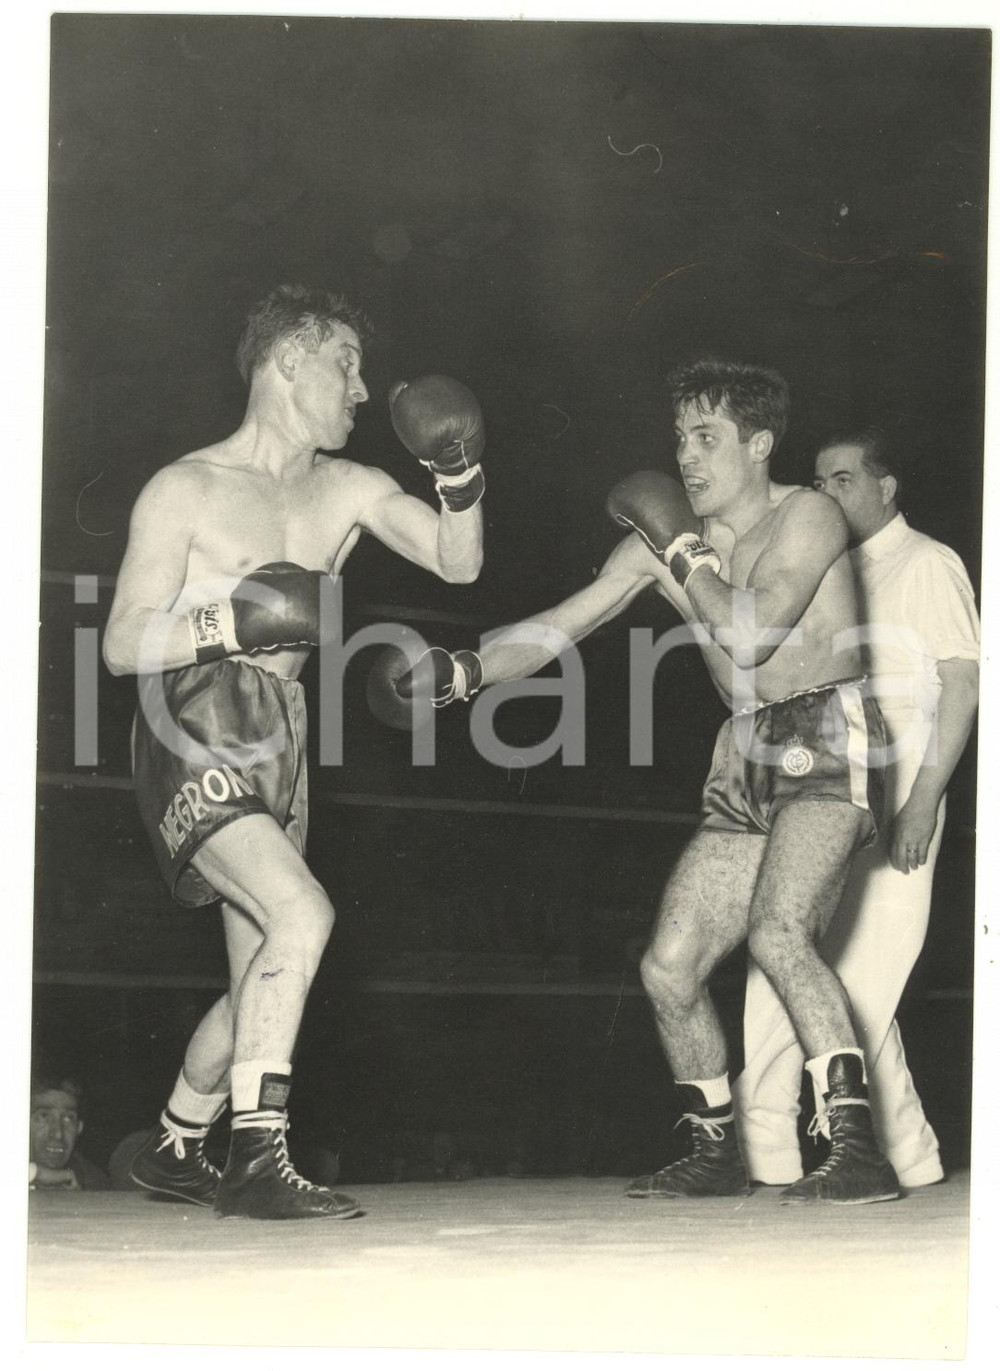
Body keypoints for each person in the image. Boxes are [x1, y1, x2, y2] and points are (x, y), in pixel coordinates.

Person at [372, 358, 900, 1205]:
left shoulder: (810, 514)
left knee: (779, 930)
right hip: (741, 752)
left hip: (824, 731)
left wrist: (682, 548)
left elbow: (753, 631)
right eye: (679, 439)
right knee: (668, 965)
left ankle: (856, 1145)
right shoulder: (662, 542)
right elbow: (555, 629)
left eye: (707, 437)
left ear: (760, 444)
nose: (686, 457)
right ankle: (715, 1148)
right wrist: (463, 672)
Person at [102, 284, 485, 1220]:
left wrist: (462, 476)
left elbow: (458, 561)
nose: (363, 388)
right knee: (304, 912)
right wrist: (229, 616)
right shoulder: (185, 487)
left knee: (260, 984)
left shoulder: (347, 489)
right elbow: (120, 642)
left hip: (283, 732)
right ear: (287, 361)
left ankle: (173, 1142)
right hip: (189, 719)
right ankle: (256, 1159)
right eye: (345, 362)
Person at [733, 427, 979, 1189]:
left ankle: (854, 1149)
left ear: (886, 485)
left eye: (844, 479)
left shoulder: (929, 562)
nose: (826, 493)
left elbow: (965, 687)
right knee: (808, 968)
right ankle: (902, 1153)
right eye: (819, 480)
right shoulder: (825, 565)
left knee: (864, 984)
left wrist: (923, 802)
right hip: (831, 786)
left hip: (901, 796)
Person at [29, 1074, 111, 1191]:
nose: (58, 1134)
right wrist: (35, 1173)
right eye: (44, 1116)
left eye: (68, 1118)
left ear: (79, 1128)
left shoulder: (93, 1183)